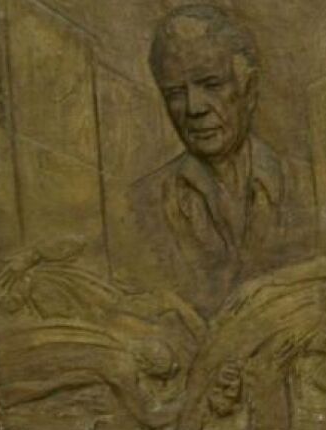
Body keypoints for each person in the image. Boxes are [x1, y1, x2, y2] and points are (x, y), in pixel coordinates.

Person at [131, 4, 315, 318]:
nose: (194, 107)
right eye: (175, 93)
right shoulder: (142, 200)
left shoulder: (307, 186)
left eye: (211, 84)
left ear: (249, 88)